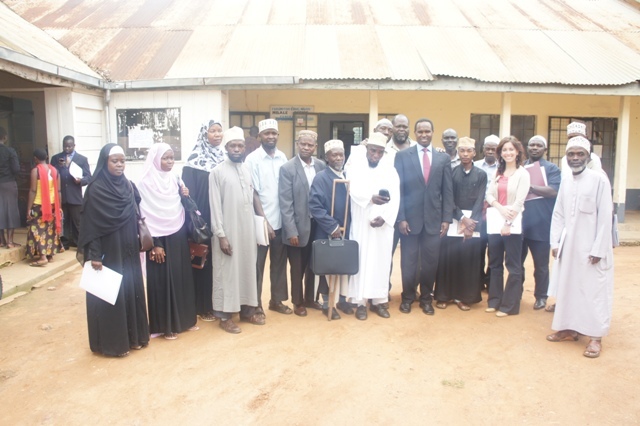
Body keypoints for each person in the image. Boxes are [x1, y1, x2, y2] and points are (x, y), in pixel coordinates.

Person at [77, 144, 149, 357]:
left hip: (127, 248)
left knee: (130, 288)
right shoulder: (96, 189)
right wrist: (95, 255)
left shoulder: (127, 185)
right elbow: (90, 226)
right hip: (109, 251)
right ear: (104, 162)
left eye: (122, 161)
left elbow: (136, 210)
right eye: (114, 161)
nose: (119, 165)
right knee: (110, 294)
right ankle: (114, 344)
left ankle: (134, 337)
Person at [546, 136, 613, 359]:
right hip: (569, 245)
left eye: (580, 154)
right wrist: (556, 242)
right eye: (571, 154)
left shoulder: (599, 180)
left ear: (588, 156)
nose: (575, 158)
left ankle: (595, 337)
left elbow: (605, 218)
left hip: (592, 248)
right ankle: (568, 329)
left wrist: (598, 249)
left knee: (593, 291)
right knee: (568, 287)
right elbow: (559, 214)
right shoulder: (566, 180)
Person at [137, 143, 198, 340]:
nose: (170, 161)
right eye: (165, 158)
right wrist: (155, 244)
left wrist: (185, 195)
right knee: (161, 281)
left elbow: (187, 207)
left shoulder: (175, 179)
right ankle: (165, 326)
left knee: (181, 277)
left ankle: (186, 321)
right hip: (157, 238)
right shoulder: (145, 184)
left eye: (172, 157)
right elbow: (143, 216)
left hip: (177, 233)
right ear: (156, 159)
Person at [394, 118, 453, 315]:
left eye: (427, 131)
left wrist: (446, 219)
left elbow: (447, 191)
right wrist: (401, 217)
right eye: (420, 132)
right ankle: (408, 297)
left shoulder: (442, 159)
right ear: (415, 133)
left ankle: (426, 298)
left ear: (433, 132)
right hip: (409, 221)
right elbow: (398, 190)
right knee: (408, 262)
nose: (424, 135)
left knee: (430, 262)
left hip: (434, 221)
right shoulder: (403, 156)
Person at [209, 127, 265, 333]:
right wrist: (221, 235)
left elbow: (252, 200)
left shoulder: (247, 169)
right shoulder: (216, 173)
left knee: (246, 269)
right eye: (233, 145)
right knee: (228, 273)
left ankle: (247, 311)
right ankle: (225, 316)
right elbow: (215, 206)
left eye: (240, 146)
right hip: (228, 232)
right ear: (226, 148)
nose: (237, 149)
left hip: (247, 232)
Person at [347, 132, 400, 320]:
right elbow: (351, 189)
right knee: (361, 260)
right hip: (362, 221)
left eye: (379, 152)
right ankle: (360, 303)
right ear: (367, 150)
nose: (375, 155)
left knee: (381, 261)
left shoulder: (390, 170)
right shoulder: (356, 167)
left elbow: (396, 198)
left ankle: (379, 301)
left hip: (382, 226)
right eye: (373, 151)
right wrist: (370, 198)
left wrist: (384, 218)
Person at [434, 137, 486, 310]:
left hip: (473, 223)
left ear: (474, 153)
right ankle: (444, 295)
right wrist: (462, 218)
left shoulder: (481, 174)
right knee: (449, 259)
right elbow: (448, 197)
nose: (465, 154)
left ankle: (464, 297)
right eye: (462, 150)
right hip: (454, 219)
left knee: (467, 261)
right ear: (458, 152)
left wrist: (471, 225)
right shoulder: (452, 172)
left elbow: (480, 200)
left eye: (469, 150)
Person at [245, 119, 290, 316]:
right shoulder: (252, 160)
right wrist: (265, 222)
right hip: (261, 223)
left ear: (277, 135)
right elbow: (253, 192)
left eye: (274, 133)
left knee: (279, 264)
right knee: (257, 266)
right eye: (267, 133)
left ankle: (276, 301)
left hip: (281, 221)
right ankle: (255, 306)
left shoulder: (282, 157)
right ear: (260, 136)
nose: (270, 136)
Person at [182, 119, 225, 322]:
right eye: (212, 131)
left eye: (219, 131)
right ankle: (203, 306)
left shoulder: (226, 158)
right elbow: (187, 197)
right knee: (203, 262)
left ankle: (221, 303)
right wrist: (195, 221)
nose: (217, 134)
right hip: (202, 221)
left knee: (221, 261)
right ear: (204, 134)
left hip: (223, 218)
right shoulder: (193, 161)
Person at [279, 130, 326, 316]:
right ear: (297, 144)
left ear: (316, 146)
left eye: (310, 145)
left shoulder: (322, 166)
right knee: (297, 267)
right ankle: (298, 302)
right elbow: (285, 202)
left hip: (318, 225)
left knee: (314, 264)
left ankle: (310, 298)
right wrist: (291, 231)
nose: (306, 148)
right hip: (298, 227)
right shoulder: (287, 168)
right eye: (303, 144)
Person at [485, 136, 530, 317]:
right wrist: (499, 208)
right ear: (500, 153)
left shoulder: (522, 174)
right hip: (496, 221)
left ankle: (509, 305)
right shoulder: (498, 173)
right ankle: (494, 301)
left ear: (518, 152)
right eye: (504, 150)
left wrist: (508, 223)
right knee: (494, 263)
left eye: (511, 149)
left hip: (512, 224)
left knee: (513, 265)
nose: (508, 153)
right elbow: (488, 195)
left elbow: (519, 202)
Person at [309, 139, 352, 319]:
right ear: (327, 157)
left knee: (344, 266)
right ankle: (328, 304)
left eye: (340, 154)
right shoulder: (321, 177)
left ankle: (342, 300)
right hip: (329, 230)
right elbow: (315, 205)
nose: (338, 158)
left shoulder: (348, 174)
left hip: (347, 229)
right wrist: (332, 226)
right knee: (328, 268)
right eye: (334, 155)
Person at [521, 135, 561, 310]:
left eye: (539, 145)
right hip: (521, 224)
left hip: (541, 224)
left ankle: (541, 296)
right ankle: (516, 293)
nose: (534, 148)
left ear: (545, 149)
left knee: (541, 265)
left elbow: (553, 191)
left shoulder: (552, 169)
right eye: (532, 145)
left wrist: (529, 187)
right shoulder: (520, 167)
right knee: (516, 264)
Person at [51, 135, 91, 249]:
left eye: (69, 146)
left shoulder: (82, 159)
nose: (67, 149)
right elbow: (51, 173)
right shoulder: (56, 158)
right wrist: (58, 166)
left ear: (74, 145)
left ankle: (80, 244)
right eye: (65, 146)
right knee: (64, 221)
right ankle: (65, 242)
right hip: (61, 195)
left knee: (78, 222)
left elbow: (89, 177)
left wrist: (81, 181)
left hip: (75, 196)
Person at [25, 148, 63, 266]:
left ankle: (42, 257)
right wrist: (59, 207)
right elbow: (59, 191)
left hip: (39, 206)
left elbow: (32, 190)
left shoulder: (35, 171)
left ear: (35, 159)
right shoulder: (55, 170)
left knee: (37, 230)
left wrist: (28, 209)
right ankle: (50, 255)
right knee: (50, 230)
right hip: (52, 206)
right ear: (47, 157)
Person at [475, 134, 500, 289]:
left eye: (494, 149)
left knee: (494, 248)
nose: (490, 151)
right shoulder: (475, 165)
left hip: (496, 213)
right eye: (488, 148)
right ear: (483, 149)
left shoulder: (503, 168)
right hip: (478, 212)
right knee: (478, 248)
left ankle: (490, 281)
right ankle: (477, 281)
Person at [0, 126, 21, 249]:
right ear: (5, 137)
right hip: (8, 183)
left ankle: (1, 240)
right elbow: (16, 169)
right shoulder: (10, 151)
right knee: (10, 210)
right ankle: (9, 241)